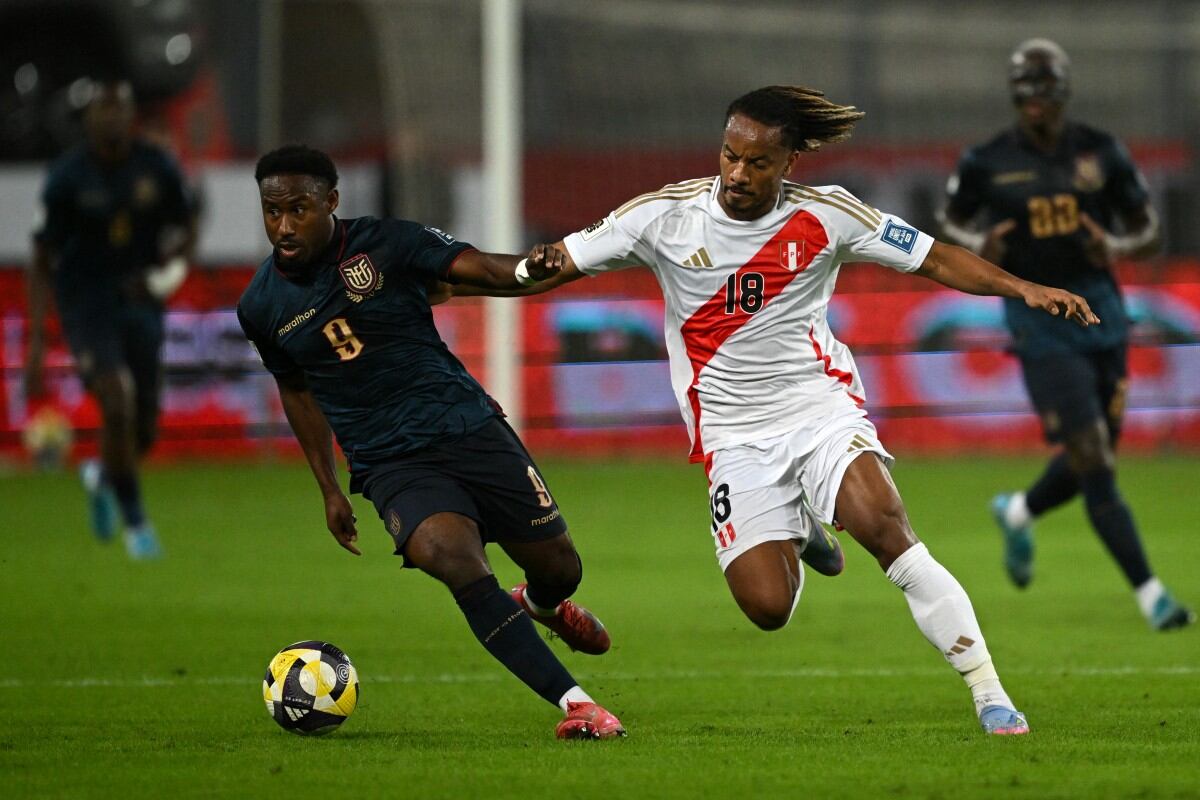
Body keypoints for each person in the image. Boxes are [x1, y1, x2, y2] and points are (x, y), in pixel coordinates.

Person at [454, 85, 1111, 736]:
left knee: (888, 530)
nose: (738, 173)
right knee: (767, 608)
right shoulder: (661, 217)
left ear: (789, 162)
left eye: (757, 162)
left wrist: (1023, 287)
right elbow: (551, 265)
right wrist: (458, 276)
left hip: (818, 408)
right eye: (729, 155)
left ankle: (990, 694)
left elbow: (934, 257)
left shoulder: (828, 216)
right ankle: (803, 530)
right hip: (732, 435)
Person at [236, 145, 624, 740]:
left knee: (560, 567)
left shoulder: (388, 244)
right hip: (388, 460)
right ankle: (578, 705)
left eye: (299, 209)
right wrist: (328, 488)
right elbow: (296, 390)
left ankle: (544, 604)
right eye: (272, 211)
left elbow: (489, 272)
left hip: (465, 425)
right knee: (455, 561)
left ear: (331, 203)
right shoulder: (261, 305)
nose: (284, 226)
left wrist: (545, 264)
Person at [939, 39, 1193, 631]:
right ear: (1014, 94)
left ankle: (1020, 510)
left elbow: (1148, 229)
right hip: (1038, 323)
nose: (1036, 100)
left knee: (1095, 452)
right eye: (1026, 89)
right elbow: (951, 223)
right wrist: (981, 246)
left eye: (1045, 88)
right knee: (1093, 457)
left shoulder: (1100, 153)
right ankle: (1152, 594)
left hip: (1103, 315)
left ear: (1062, 91)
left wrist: (1117, 246)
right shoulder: (986, 161)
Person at [24, 78, 197, 560]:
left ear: (130, 114)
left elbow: (186, 224)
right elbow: (41, 257)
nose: (111, 118)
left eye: (119, 108)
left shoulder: (155, 166)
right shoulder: (67, 177)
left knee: (143, 428)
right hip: (86, 301)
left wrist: (171, 267)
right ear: (89, 119)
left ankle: (102, 475)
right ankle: (138, 526)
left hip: (140, 298)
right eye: (102, 110)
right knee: (116, 401)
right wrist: (37, 343)